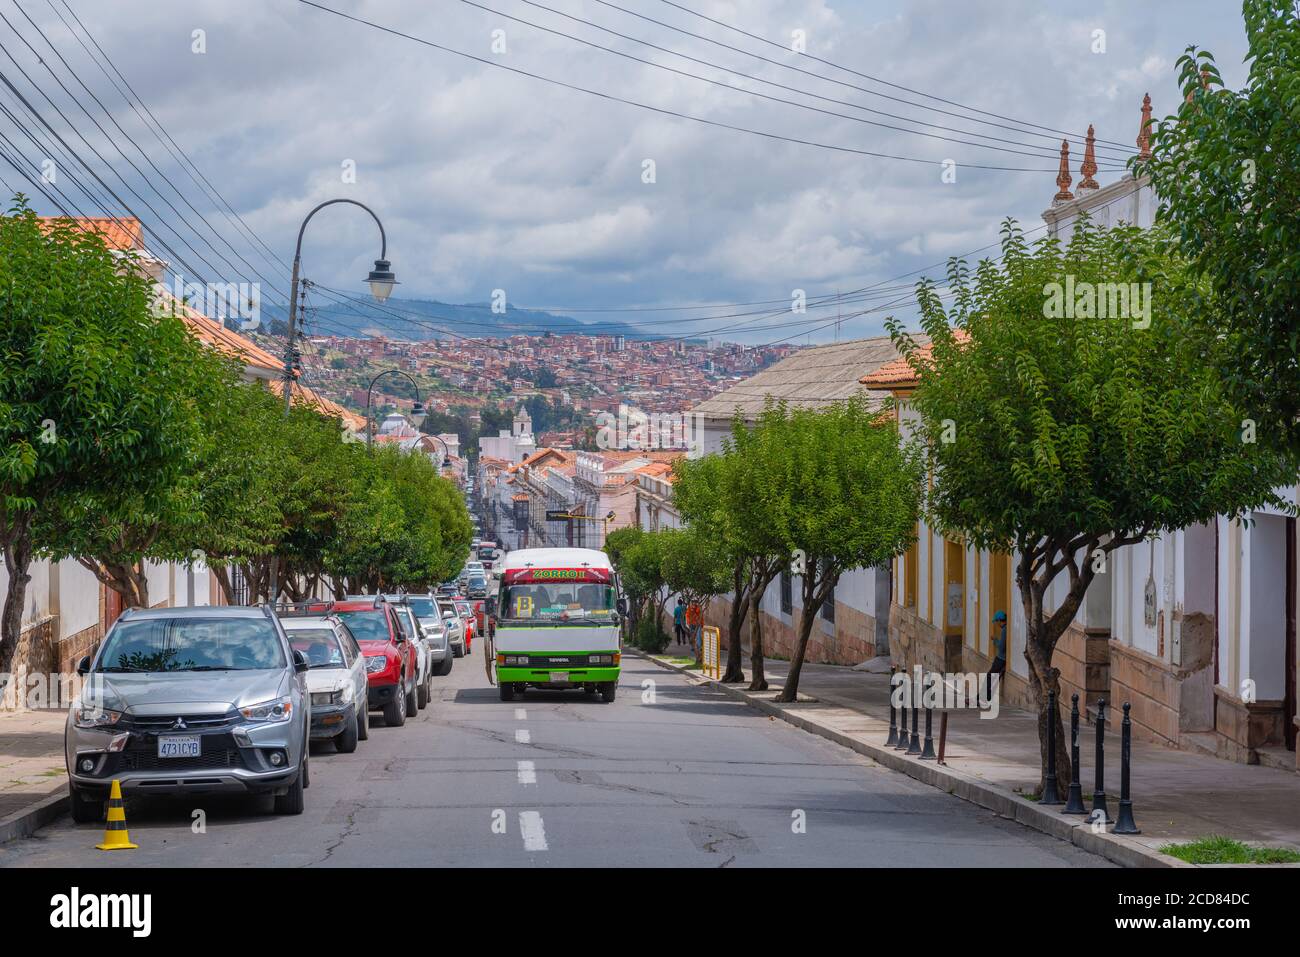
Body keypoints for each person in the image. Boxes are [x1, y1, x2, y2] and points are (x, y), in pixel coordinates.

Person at [987, 610, 1007, 700]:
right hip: (1003, 660)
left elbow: (1001, 647)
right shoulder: (1006, 629)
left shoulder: (1004, 630)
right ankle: (986, 697)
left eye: (996, 621)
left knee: (989, 676)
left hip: (1000, 659)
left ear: (999, 620)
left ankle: (983, 698)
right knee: (994, 678)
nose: (996, 623)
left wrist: (995, 640)